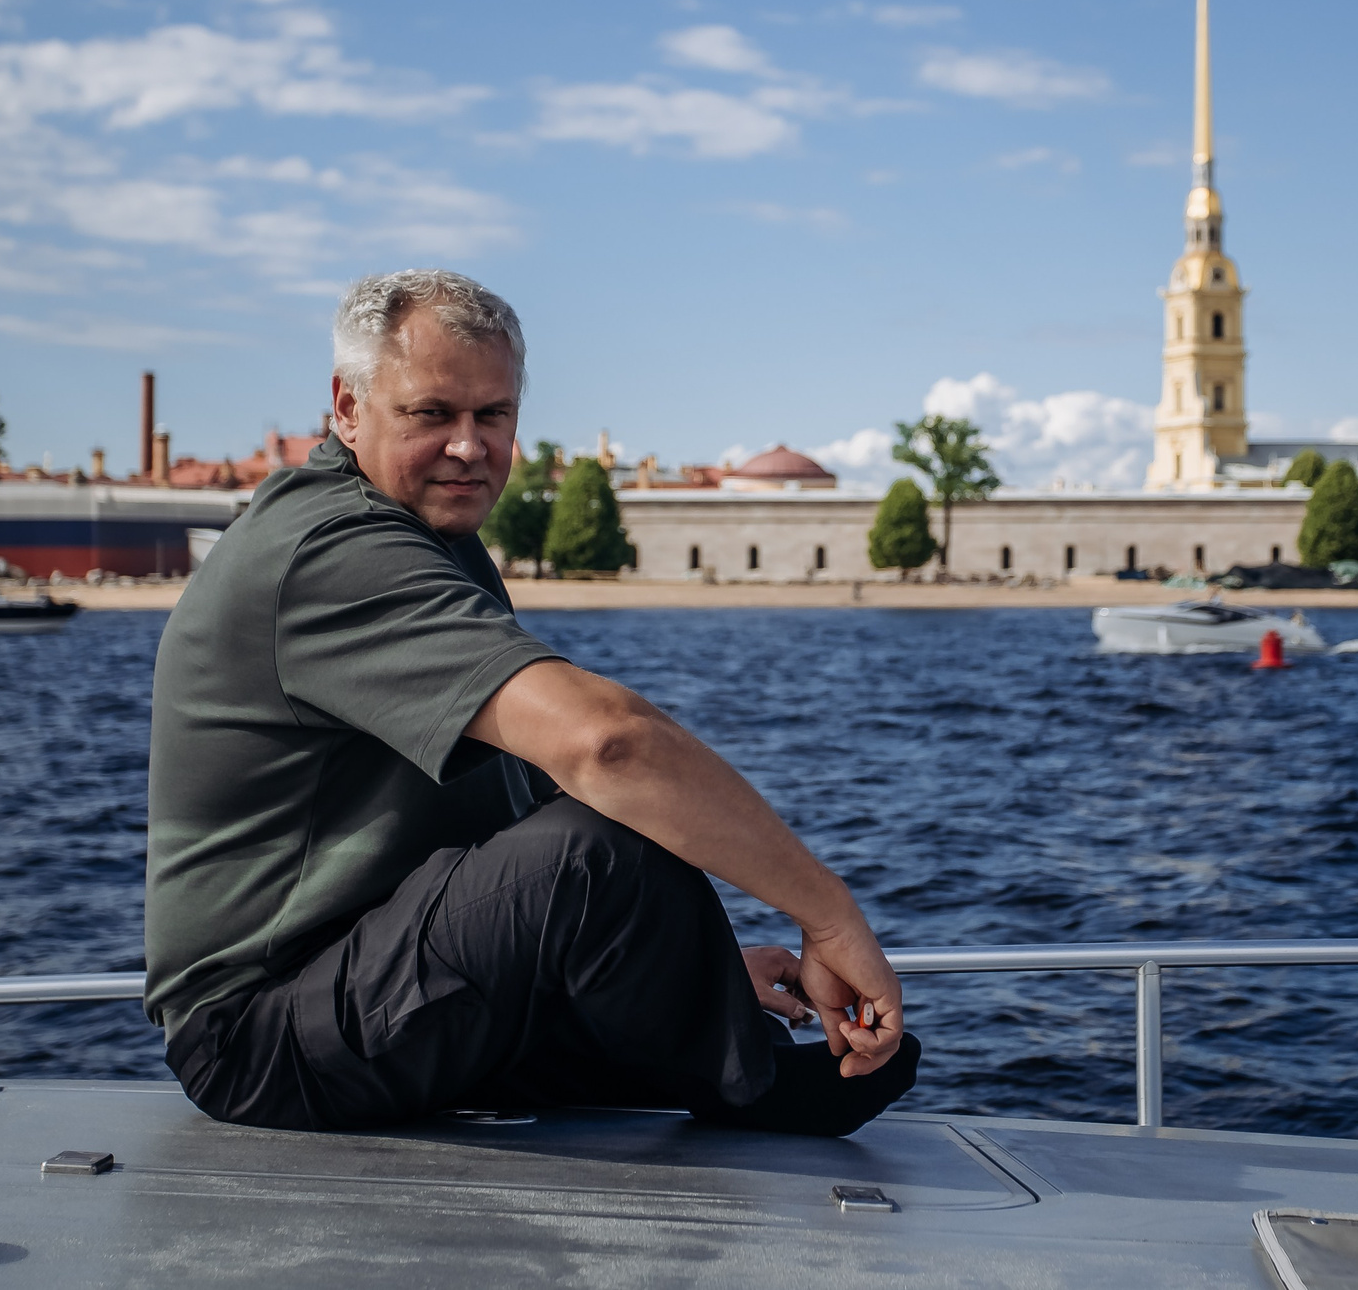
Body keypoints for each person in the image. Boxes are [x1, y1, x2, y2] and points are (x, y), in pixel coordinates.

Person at [143, 269, 915, 1134]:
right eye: (431, 413)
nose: (470, 446)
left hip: (371, 969)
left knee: (610, 824)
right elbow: (606, 746)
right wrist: (831, 915)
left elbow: (518, 809)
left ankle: (719, 1043)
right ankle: (752, 1083)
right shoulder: (331, 552)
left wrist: (694, 961)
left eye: (493, 415)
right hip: (265, 1036)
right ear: (348, 408)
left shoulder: (433, 539)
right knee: (603, 835)